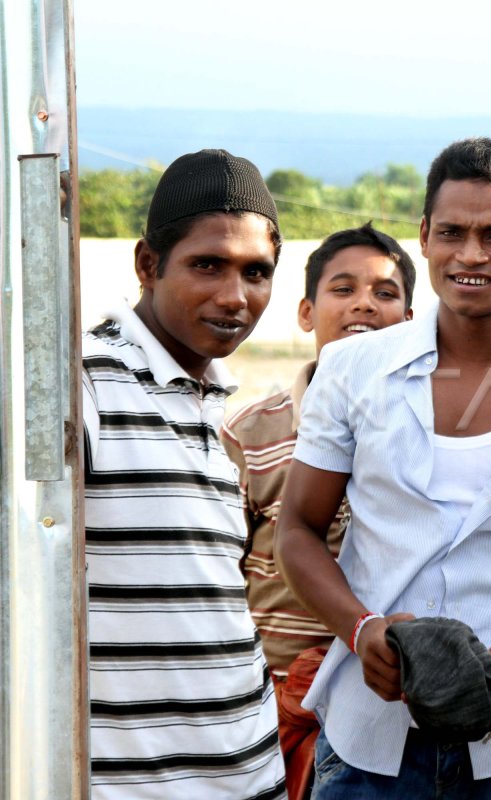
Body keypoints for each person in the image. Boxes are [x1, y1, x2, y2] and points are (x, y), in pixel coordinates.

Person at [275, 137, 491, 799]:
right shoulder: (352, 371)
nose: (471, 255)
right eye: (453, 232)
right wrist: (361, 627)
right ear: (426, 237)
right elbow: (297, 531)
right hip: (367, 736)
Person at [82, 148, 286, 799]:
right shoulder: (84, 379)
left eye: (257, 272)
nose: (236, 296)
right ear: (147, 264)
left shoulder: (216, 405)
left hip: (249, 774)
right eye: (208, 266)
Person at [221, 222, 416, 799]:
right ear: (306, 311)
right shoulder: (252, 433)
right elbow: (220, 580)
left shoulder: (431, 435)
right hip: (270, 705)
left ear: (409, 320)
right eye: (343, 289)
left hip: (388, 705)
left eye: (385, 293)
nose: (364, 304)